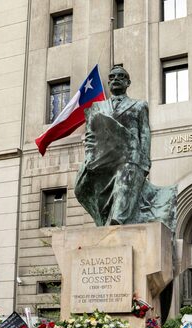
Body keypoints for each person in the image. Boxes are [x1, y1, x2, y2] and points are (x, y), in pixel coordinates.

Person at [74, 65, 176, 229]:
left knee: (126, 176)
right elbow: (91, 136)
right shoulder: (97, 108)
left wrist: (144, 161)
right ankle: (105, 219)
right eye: (113, 77)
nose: (116, 79)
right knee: (80, 186)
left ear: (128, 82)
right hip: (103, 159)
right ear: (108, 82)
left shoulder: (139, 105)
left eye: (120, 76)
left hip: (129, 157)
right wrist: (89, 158)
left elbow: (144, 132)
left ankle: (117, 220)